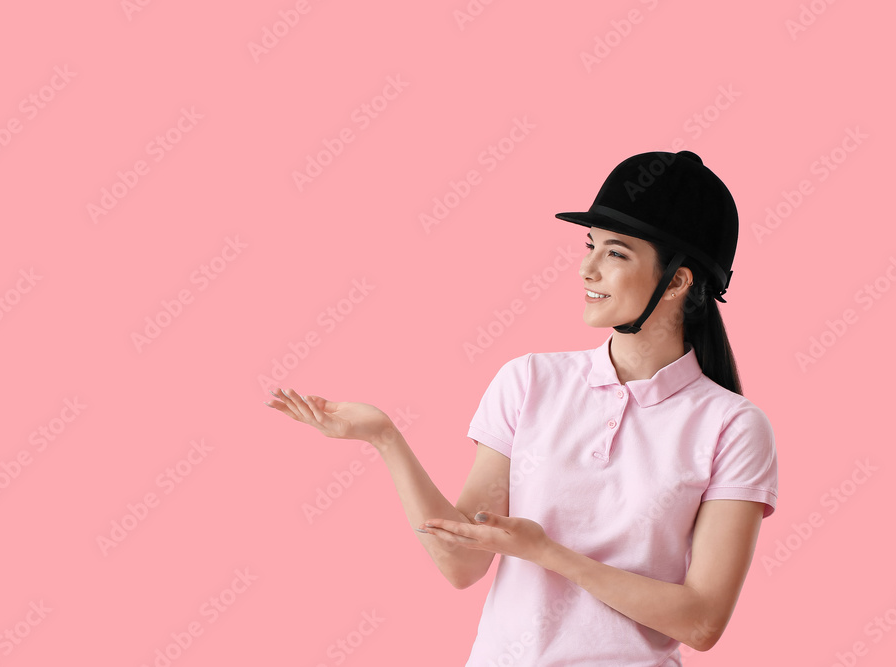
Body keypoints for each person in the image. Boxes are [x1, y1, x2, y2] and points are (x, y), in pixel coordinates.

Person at [263, 150, 778, 666]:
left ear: (678, 282)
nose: (587, 268)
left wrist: (549, 553)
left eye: (616, 253)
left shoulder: (732, 426)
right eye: (589, 246)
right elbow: (463, 561)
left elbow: (702, 620)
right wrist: (384, 439)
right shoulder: (529, 381)